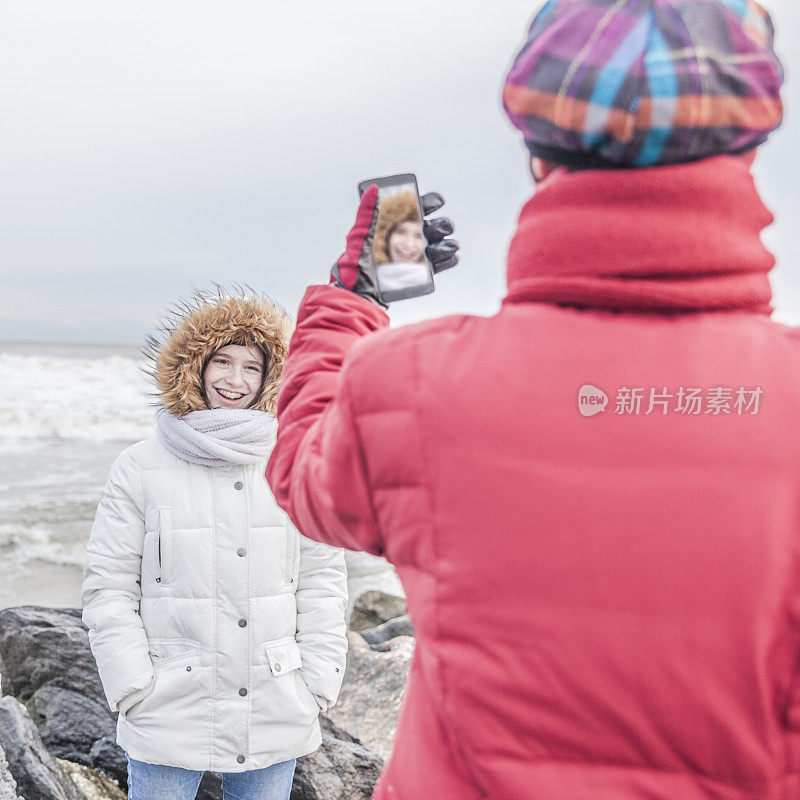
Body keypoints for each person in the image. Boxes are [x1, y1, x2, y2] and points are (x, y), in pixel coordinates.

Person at [265, 2, 796, 798]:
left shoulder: (413, 385)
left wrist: (354, 295)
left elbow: (301, 473)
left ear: (539, 157)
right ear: (747, 148)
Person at [82, 289, 348, 800]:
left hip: (277, 699)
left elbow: (322, 580)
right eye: (222, 361)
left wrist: (318, 680)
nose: (235, 379)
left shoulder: (292, 461)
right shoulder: (140, 465)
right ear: (194, 367)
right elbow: (108, 586)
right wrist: (132, 683)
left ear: (271, 377)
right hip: (168, 703)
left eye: (252, 366)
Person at [372, 189, 430, 294]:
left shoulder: (427, 279)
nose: (408, 244)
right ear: (385, 236)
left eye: (418, 236)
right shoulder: (365, 278)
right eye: (401, 232)